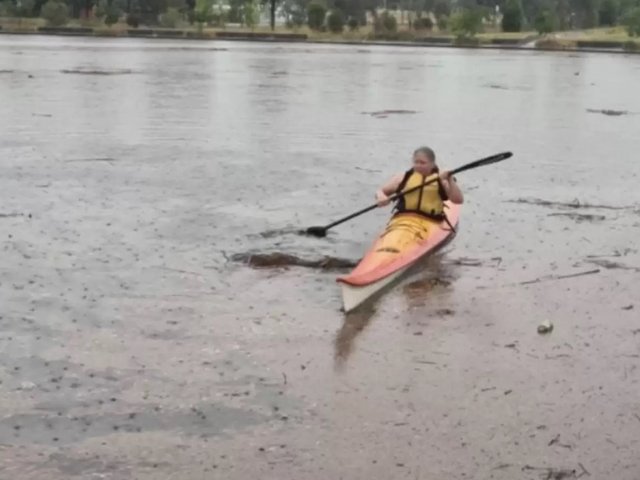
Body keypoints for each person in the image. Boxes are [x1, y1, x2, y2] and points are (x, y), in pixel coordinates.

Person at [374, 146, 463, 244]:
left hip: (431, 220)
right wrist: (381, 197)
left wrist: (450, 179)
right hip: (403, 219)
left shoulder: (441, 180)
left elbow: (458, 200)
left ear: (432, 164)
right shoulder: (403, 178)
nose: (419, 165)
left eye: (423, 163)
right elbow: (381, 191)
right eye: (416, 162)